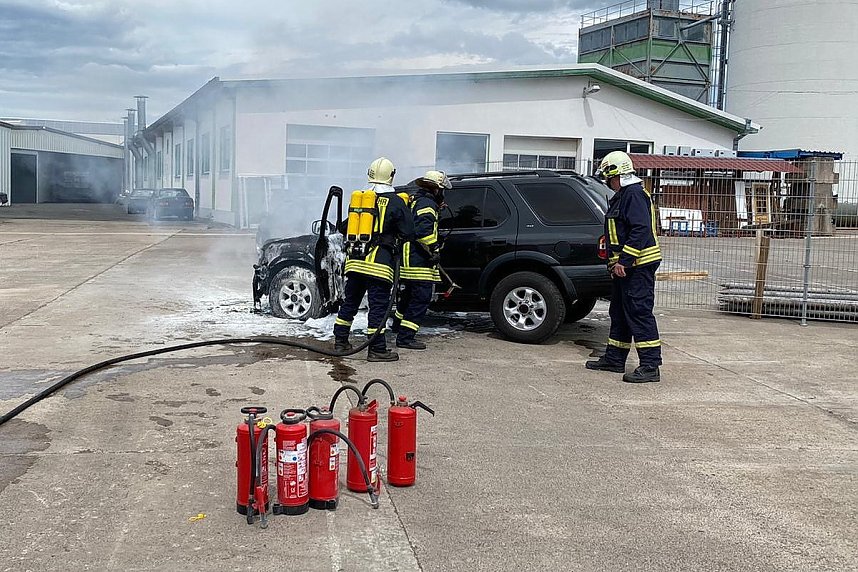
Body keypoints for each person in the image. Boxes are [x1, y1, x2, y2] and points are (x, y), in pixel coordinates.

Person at [585, 151, 663, 383]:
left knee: (639, 313)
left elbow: (640, 230)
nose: (606, 182)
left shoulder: (634, 195)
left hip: (637, 267)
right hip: (625, 268)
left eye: (607, 176)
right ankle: (615, 359)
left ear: (614, 173)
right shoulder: (623, 195)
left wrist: (625, 261)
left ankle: (650, 366)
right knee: (619, 312)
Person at [333, 157, 414, 362]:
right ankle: (377, 349)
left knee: (350, 303)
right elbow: (409, 232)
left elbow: (344, 227)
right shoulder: (396, 201)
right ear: (391, 176)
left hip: (355, 262)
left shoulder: (361, 199)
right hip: (378, 266)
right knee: (378, 307)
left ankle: (340, 342)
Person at [392, 170, 451, 350]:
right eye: (441, 190)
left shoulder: (418, 200)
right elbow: (424, 232)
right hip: (418, 260)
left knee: (409, 296)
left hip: (410, 257)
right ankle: (406, 338)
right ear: (436, 189)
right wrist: (434, 250)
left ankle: (397, 327)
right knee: (420, 299)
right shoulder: (427, 204)